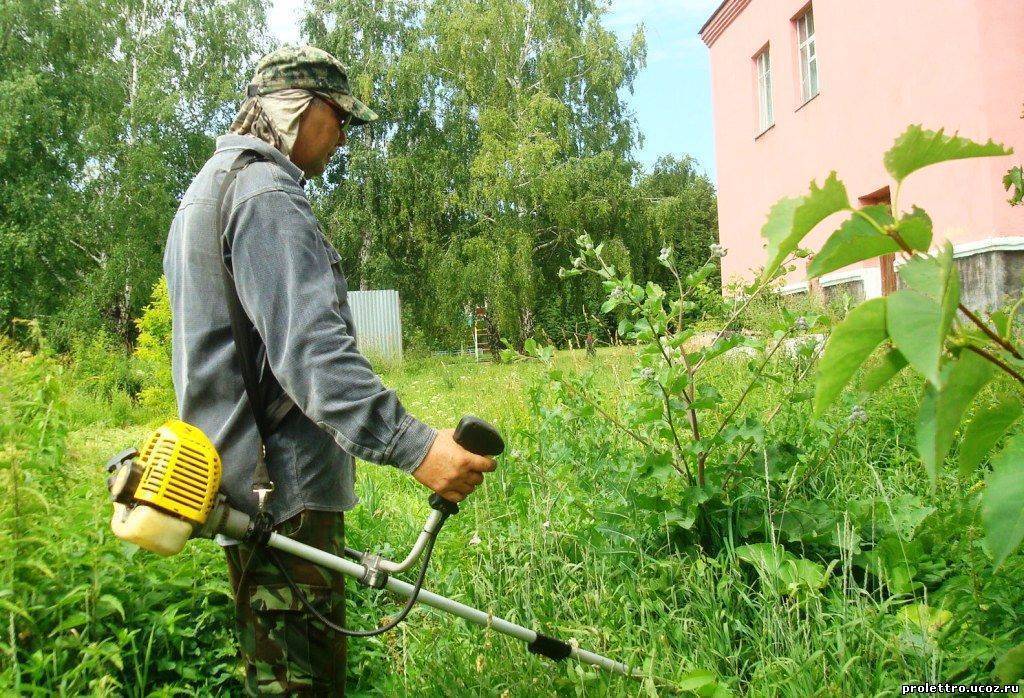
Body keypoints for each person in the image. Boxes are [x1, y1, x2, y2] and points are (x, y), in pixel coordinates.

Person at [163, 45, 496, 696]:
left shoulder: (207, 190)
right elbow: (310, 352)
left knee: (279, 682)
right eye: (340, 117)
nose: (344, 136)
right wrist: (418, 446)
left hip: (247, 497)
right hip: (282, 500)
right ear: (299, 108)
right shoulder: (265, 192)